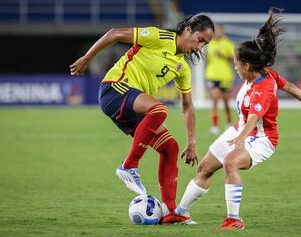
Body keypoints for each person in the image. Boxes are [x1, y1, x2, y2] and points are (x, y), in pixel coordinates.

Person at [173, 8, 301, 229]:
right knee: (205, 166)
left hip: (262, 139)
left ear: (246, 66)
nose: (234, 66)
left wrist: (241, 139)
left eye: (236, 63)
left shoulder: (263, 88)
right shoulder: (265, 73)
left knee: (231, 163)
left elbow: (254, 117)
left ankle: (234, 219)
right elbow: (289, 86)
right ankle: (180, 213)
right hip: (241, 130)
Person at [70, 14, 215, 224]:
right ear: (188, 30)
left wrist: (191, 142)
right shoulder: (159, 37)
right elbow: (115, 34)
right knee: (159, 109)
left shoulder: (182, 67)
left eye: (205, 44)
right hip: (114, 89)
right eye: (200, 40)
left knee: (170, 147)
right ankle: (128, 166)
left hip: (131, 108)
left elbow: (187, 106)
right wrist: (86, 58)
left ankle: (171, 211)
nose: (200, 47)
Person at [205, 24, 235, 134]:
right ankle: (214, 126)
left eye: (219, 31)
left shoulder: (228, 43)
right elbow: (208, 58)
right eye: (216, 31)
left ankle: (228, 123)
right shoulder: (210, 43)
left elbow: (234, 58)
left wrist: (223, 55)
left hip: (225, 76)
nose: (217, 33)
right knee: (214, 101)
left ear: (223, 31)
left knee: (226, 102)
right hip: (212, 76)